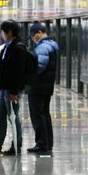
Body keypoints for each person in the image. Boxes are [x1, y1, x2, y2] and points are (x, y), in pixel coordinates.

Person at [25, 23, 59, 153]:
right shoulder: (51, 46)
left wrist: (28, 72)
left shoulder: (43, 47)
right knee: (44, 114)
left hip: (38, 86)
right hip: (46, 86)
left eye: (33, 36)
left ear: (39, 32)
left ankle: (42, 143)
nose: (33, 39)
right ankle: (47, 142)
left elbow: (38, 68)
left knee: (38, 115)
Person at [0, 21, 27, 155]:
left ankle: (17, 146)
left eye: (3, 32)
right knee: (0, 116)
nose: (1, 34)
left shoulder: (19, 48)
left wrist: (14, 91)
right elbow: (4, 69)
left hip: (12, 89)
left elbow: (19, 72)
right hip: (5, 88)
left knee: (13, 117)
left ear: (9, 32)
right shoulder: (7, 47)